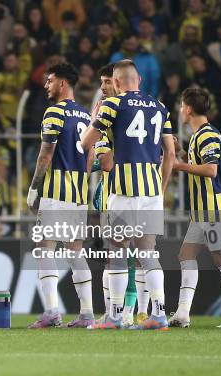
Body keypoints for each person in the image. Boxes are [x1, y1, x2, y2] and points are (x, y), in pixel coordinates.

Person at [81, 60, 175, 330]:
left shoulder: (112, 104)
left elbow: (86, 142)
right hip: (151, 189)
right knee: (148, 253)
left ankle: (113, 316)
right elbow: (170, 153)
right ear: (140, 80)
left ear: (118, 82)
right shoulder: (160, 107)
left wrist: (94, 125)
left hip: (124, 189)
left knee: (118, 250)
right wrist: (161, 187)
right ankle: (158, 314)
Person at [170, 88, 221, 328]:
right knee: (186, 254)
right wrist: (180, 152)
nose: (180, 111)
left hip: (214, 206)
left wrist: (178, 165)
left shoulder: (207, 135)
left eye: (182, 106)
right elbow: (201, 163)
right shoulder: (198, 135)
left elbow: (211, 170)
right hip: (202, 209)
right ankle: (183, 313)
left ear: (189, 108)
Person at [26, 62, 93, 329]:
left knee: (44, 250)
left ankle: (52, 311)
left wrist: (34, 189)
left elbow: (46, 154)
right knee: (76, 251)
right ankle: (86, 314)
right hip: (78, 193)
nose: (46, 85)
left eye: (50, 80)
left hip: (56, 192)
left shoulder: (54, 112)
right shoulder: (87, 116)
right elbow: (90, 157)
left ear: (62, 84)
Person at [92, 64, 147, 327]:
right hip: (110, 191)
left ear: (118, 82)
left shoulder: (119, 112)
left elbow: (104, 160)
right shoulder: (107, 114)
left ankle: (133, 310)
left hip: (128, 189)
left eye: (106, 81)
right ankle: (115, 310)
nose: (103, 87)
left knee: (132, 253)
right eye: (101, 82)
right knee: (115, 253)